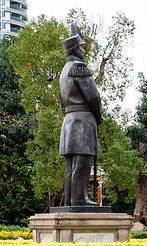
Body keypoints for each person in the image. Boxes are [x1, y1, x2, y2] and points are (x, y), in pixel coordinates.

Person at [59, 23, 103, 207]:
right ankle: (79, 199)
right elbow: (93, 96)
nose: (84, 50)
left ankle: (72, 199)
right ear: (76, 49)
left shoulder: (64, 70)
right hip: (82, 121)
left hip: (69, 120)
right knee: (82, 163)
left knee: (71, 166)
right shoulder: (79, 67)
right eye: (82, 47)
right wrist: (99, 116)